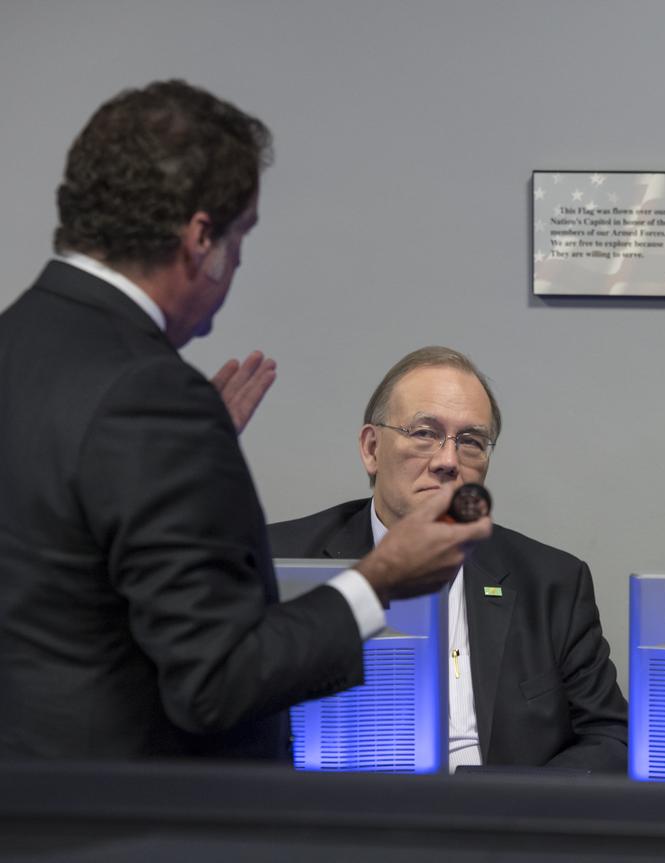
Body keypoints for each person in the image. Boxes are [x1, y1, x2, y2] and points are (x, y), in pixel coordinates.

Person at [0, 81, 489, 761]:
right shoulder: (150, 395)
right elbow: (215, 681)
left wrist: (185, 466)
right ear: (200, 237)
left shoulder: (20, 343)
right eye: (241, 236)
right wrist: (378, 578)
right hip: (123, 819)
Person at [269, 346, 629, 773]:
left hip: (495, 825)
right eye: (424, 433)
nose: (447, 461)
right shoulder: (282, 560)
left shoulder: (552, 583)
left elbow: (610, 738)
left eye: (471, 442)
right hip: (338, 819)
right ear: (371, 448)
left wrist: (514, 806)